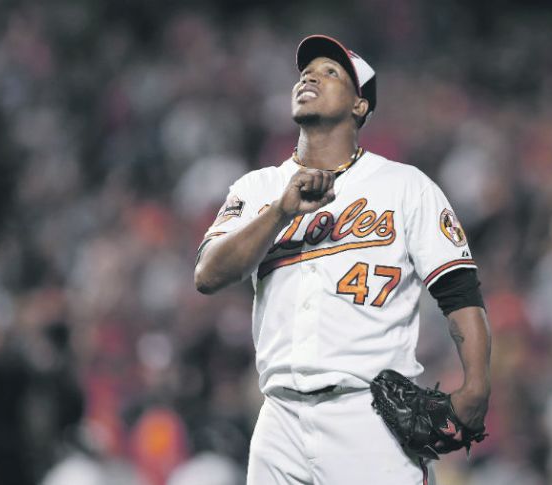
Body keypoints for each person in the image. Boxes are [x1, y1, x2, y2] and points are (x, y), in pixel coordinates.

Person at [194, 34, 491, 485]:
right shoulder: (256, 189)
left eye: (330, 72)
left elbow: (459, 291)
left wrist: (476, 383)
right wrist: (279, 213)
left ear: (359, 106)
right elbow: (208, 275)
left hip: (368, 416)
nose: (310, 76)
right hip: (278, 419)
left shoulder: (404, 186)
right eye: (305, 72)